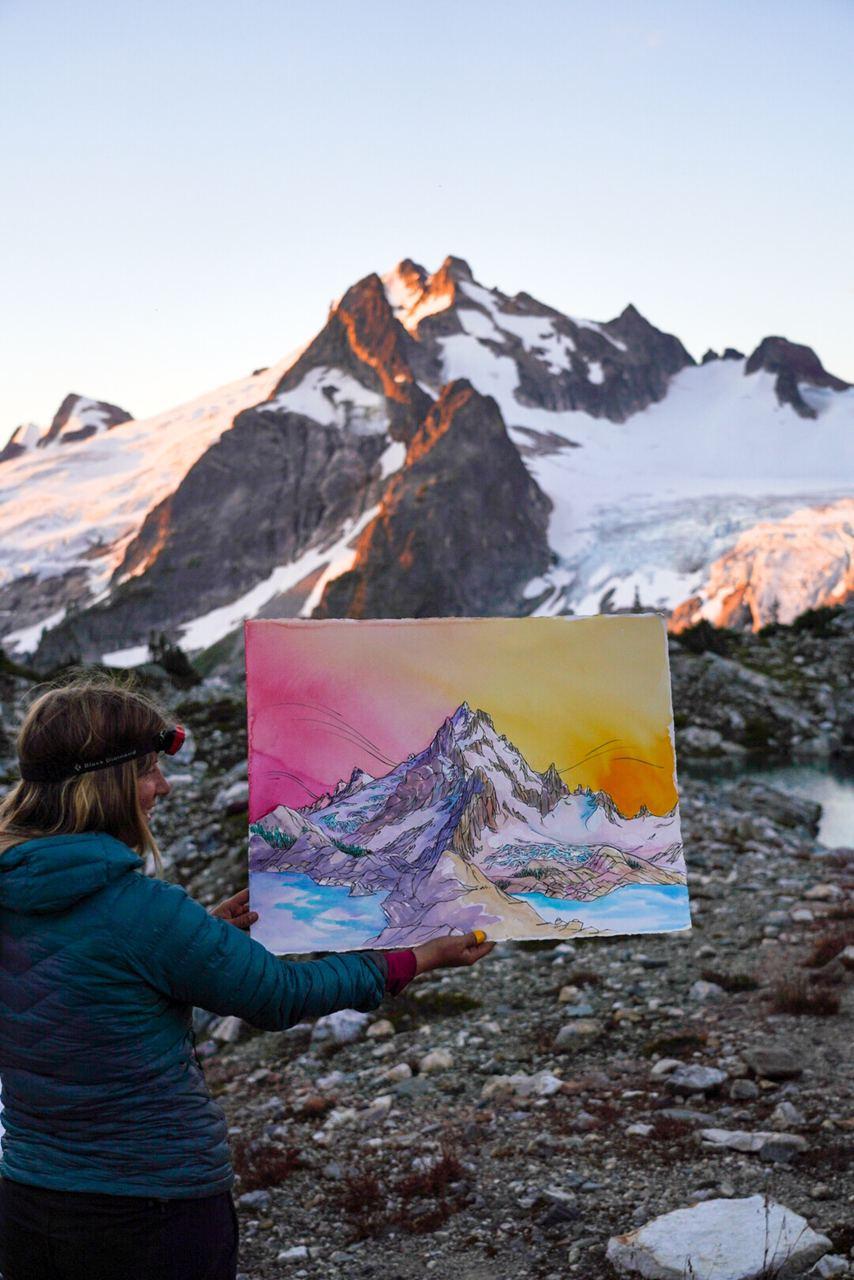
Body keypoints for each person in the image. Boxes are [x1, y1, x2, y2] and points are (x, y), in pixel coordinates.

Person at [0, 674, 493, 1280]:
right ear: (106, 785)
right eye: (149, 770)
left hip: (27, 1197)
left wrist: (198, 936)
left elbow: (86, 982)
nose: (163, 786)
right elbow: (280, 995)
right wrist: (416, 957)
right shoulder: (143, 911)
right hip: (152, 1205)